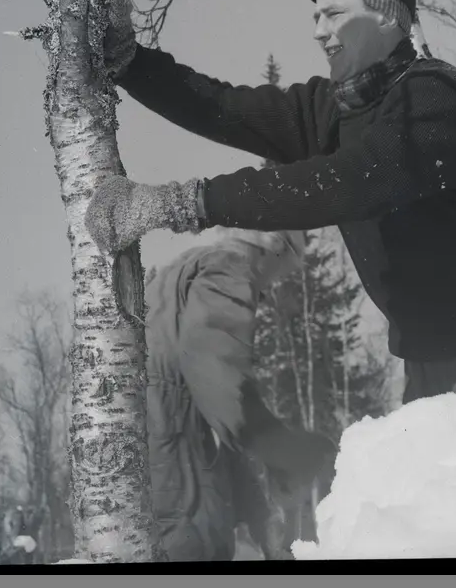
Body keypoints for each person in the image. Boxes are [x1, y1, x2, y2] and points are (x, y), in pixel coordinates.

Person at [85, 0, 456, 419]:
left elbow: (352, 183)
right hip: (431, 361)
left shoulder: (439, 96)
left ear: (387, 18)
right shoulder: (334, 107)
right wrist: (130, 61)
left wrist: (180, 202)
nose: (318, 31)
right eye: (315, 17)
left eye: (333, 14)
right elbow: (225, 108)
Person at [140, 226, 336, 562]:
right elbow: (213, 368)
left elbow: (214, 406)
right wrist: (272, 440)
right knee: (191, 546)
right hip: (172, 458)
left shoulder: (188, 272)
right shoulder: (228, 267)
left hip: (166, 450)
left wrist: (260, 517)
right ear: (272, 245)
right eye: (285, 266)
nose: (275, 281)